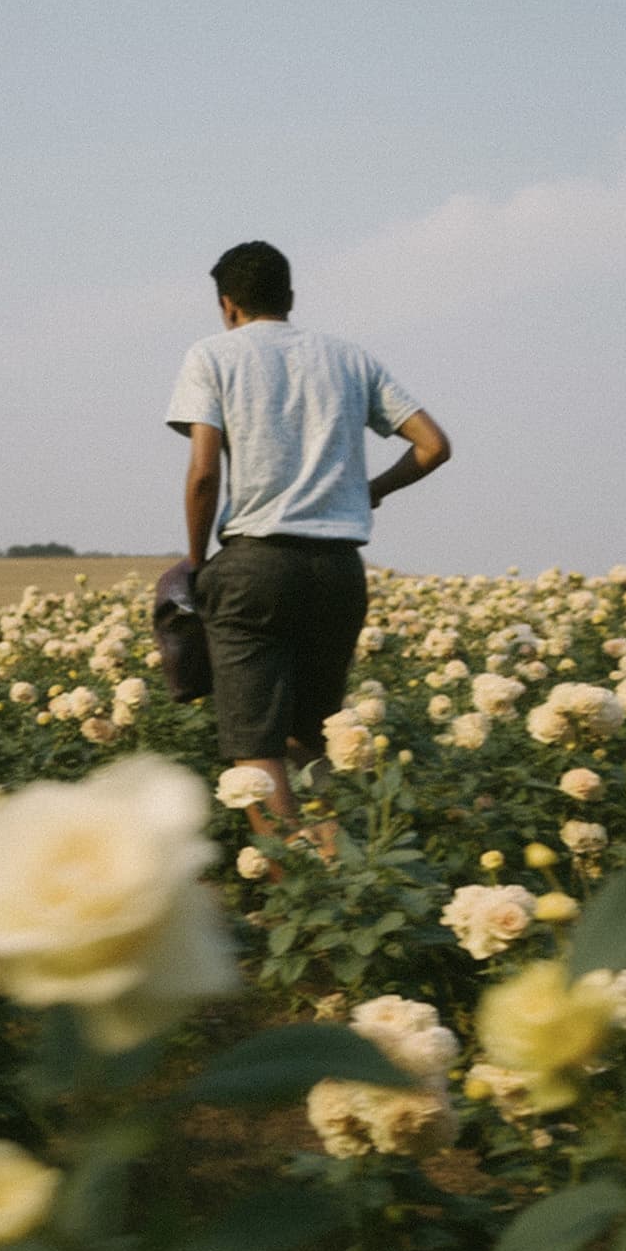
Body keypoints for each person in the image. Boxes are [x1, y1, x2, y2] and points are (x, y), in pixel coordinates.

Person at [165, 240, 451, 854]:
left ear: (227, 304)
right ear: (290, 297)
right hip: (339, 570)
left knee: (254, 750)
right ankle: (336, 867)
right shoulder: (350, 358)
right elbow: (433, 445)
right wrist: (371, 490)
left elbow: (204, 473)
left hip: (256, 564)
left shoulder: (212, 355)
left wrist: (197, 562)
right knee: (309, 739)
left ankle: (298, 880)